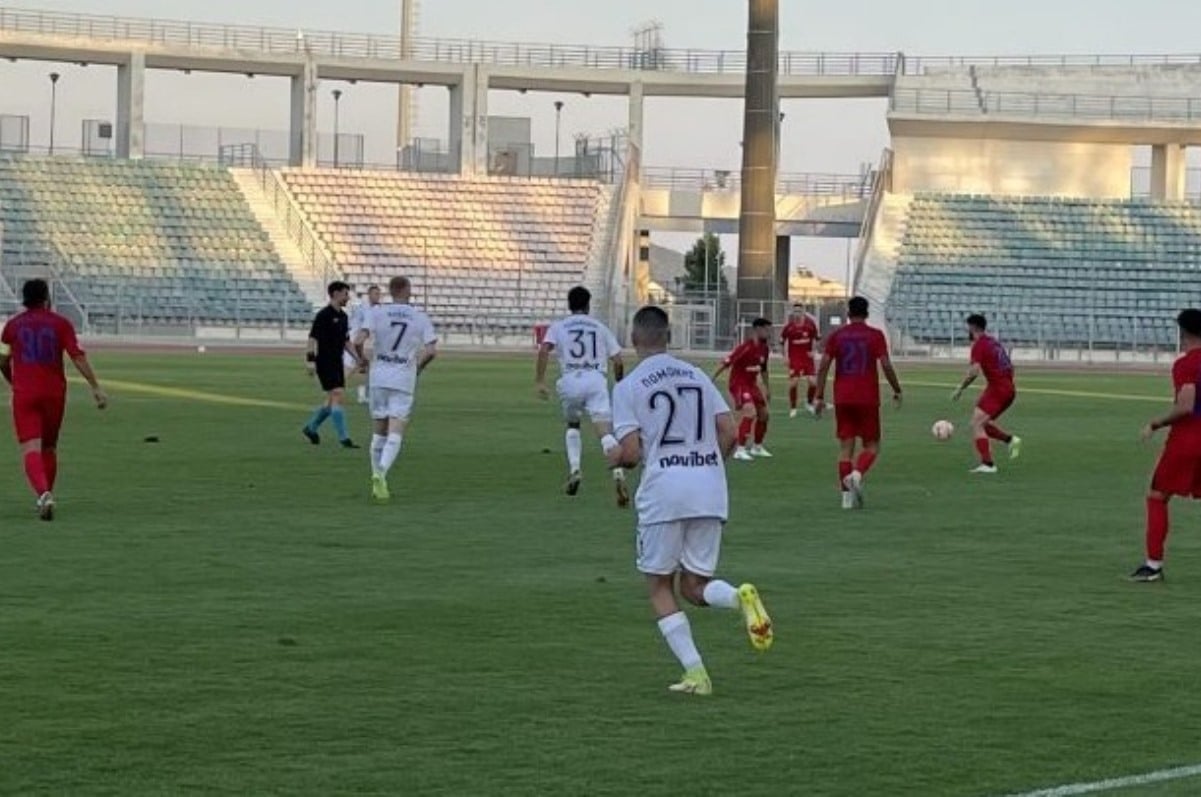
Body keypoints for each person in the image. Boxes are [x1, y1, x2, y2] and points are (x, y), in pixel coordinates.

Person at [608, 305, 772, 696]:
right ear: (668, 337)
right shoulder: (696, 374)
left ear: (634, 339)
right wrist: (709, 466)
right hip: (709, 488)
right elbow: (729, 431)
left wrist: (614, 458)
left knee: (659, 586)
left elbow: (631, 453)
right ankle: (737, 597)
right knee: (694, 586)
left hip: (664, 491)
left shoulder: (628, 387)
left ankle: (696, 674)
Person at [0, 279, 107, 521]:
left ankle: (43, 494)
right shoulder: (61, 323)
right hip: (54, 394)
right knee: (48, 447)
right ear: (47, 298)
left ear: (24, 299)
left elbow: (2, 359)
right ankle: (47, 494)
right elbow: (77, 356)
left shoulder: (12, 326)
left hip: (25, 394)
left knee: (30, 448)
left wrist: (12, 380)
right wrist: (95, 387)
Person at [534, 286, 629, 506]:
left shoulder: (559, 326)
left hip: (570, 381)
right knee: (605, 433)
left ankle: (575, 470)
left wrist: (540, 381)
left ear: (569, 305)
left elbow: (544, 349)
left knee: (573, 425)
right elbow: (618, 360)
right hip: (596, 380)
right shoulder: (599, 327)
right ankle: (618, 474)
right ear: (588, 305)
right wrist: (619, 382)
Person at [1130, 309, 1201, 582]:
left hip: (1189, 439)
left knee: (1157, 495)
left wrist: (1156, 423)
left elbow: (1185, 405)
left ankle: (1153, 566)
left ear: (1183, 333)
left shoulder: (1187, 364)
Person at [351, 276, 437, 501]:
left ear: (390, 291)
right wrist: (418, 368)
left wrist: (361, 359)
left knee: (378, 432)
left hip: (378, 378)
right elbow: (431, 351)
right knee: (396, 430)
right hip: (403, 379)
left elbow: (358, 340)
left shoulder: (377, 313)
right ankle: (381, 473)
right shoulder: (419, 317)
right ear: (407, 290)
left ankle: (376, 478)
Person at [814, 297, 902, 510]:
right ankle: (857, 474)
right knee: (872, 446)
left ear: (848, 313)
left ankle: (846, 499)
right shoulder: (875, 335)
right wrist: (897, 389)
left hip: (842, 397)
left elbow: (824, 365)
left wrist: (819, 396)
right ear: (867, 313)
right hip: (867, 397)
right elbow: (885, 364)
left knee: (846, 448)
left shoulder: (837, 335)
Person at [952, 314, 1022, 473]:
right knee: (980, 423)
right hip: (1006, 388)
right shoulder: (994, 342)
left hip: (998, 389)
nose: (967, 331)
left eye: (968, 328)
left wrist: (961, 388)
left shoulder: (979, 345)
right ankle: (1011, 440)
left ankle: (988, 464)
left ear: (973, 327)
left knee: (977, 424)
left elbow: (974, 372)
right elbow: (1010, 366)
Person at [302, 280, 358, 449]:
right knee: (337, 394)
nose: (348, 297)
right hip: (324, 362)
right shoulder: (324, 315)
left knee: (332, 399)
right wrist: (310, 361)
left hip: (337, 361)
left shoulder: (344, 317)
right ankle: (344, 438)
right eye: (345, 294)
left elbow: (346, 341)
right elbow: (312, 339)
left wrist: (357, 357)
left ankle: (311, 428)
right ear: (336, 294)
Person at [714, 318, 773, 461]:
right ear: (757, 329)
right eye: (766, 330)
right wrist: (710, 379)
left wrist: (767, 387)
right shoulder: (745, 347)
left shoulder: (764, 348)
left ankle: (757, 447)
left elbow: (764, 369)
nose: (769, 333)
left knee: (764, 414)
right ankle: (740, 450)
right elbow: (726, 363)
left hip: (752, 385)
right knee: (750, 412)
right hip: (739, 384)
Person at [780, 305, 821, 418]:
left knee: (813, 382)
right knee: (794, 382)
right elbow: (782, 342)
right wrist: (785, 356)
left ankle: (809, 403)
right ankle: (793, 408)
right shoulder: (789, 327)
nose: (797, 314)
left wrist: (814, 351)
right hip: (795, 358)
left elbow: (817, 338)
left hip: (807, 358)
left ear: (803, 312)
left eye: (799, 311)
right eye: (795, 311)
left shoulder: (810, 325)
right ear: (793, 313)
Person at [347, 285, 382, 405]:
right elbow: (362, 333)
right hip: (352, 343)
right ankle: (335, 393)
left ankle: (362, 395)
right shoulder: (368, 310)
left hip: (355, 342)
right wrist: (360, 354)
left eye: (379, 294)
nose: (378, 296)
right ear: (369, 295)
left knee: (365, 369)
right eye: (376, 294)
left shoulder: (371, 308)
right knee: (350, 369)